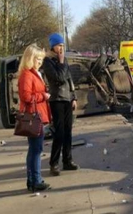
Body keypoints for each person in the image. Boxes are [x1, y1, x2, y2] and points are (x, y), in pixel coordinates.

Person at [42, 33, 79, 176]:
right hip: (56, 99)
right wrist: (62, 62)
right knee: (59, 132)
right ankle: (54, 163)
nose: (61, 48)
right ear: (53, 46)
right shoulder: (48, 61)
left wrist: (74, 97)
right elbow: (59, 78)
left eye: (63, 45)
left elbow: (69, 79)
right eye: (59, 45)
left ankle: (67, 161)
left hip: (67, 99)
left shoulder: (64, 60)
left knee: (68, 131)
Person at [17, 43, 51, 192]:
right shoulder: (27, 74)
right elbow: (25, 96)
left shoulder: (33, 73)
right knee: (36, 149)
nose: (40, 62)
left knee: (34, 149)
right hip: (33, 117)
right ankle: (35, 180)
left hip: (37, 115)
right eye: (37, 59)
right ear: (30, 58)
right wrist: (43, 96)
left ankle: (32, 180)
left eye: (41, 59)